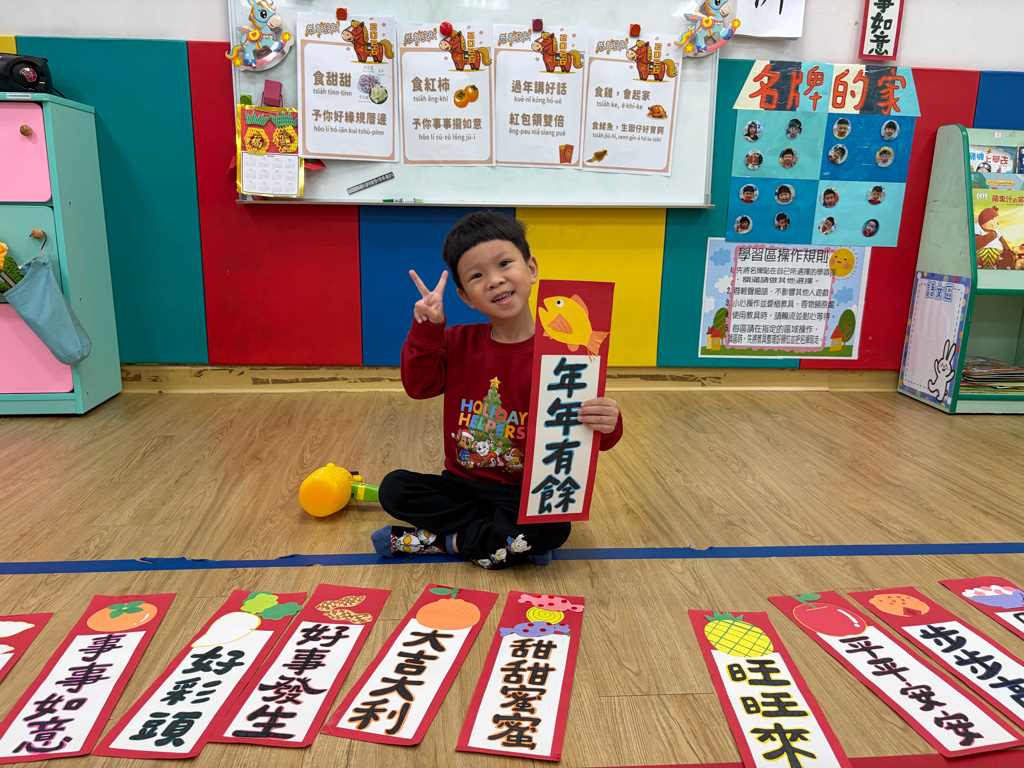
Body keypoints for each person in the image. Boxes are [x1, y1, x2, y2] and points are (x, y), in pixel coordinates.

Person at [372, 211, 623, 570]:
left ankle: (441, 542)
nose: (494, 280)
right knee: (395, 488)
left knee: (554, 525)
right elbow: (419, 386)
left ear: (531, 268)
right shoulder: (457, 340)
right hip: (461, 485)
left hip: (524, 492)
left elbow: (588, 435)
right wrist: (428, 329)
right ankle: (502, 542)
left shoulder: (567, 354)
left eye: (504, 263)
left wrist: (609, 422)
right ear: (466, 296)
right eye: (477, 276)